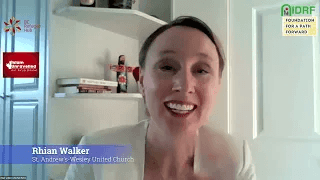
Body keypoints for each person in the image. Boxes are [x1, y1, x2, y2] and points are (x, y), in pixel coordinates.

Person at [64, 16, 256, 180]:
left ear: (217, 85)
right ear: (141, 80)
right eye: (167, 67)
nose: (185, 85)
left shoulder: (237, 157)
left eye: (201, 70)